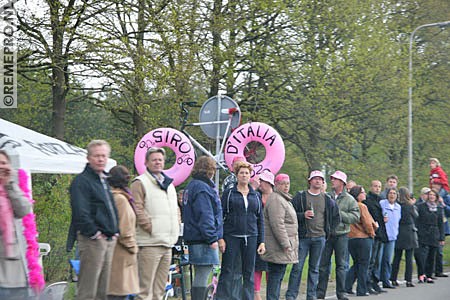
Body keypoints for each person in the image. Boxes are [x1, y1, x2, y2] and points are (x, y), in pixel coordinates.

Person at [68, 140, 119, 300]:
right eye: (97, 156)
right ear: (88, 158)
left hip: (109, 240)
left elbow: (110, 209)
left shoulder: (104, 180)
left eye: (103, 156)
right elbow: (80, 213)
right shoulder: (82, 182)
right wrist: (95, 233)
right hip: (92, 242)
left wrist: (116, 231)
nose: (100, 159)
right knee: (88, 290)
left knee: (103, 290)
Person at [131, 147, 180, 300]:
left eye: (160, 159)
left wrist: (177, 224)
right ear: (146, 162)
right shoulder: (140, 183)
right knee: (145, 291)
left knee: (159, 290)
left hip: (167, 243)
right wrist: (151, 228)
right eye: (154, 160)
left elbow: (175, 208)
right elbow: (136, 208)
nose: (157, 162)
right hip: (149, 243)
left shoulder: (169, 185)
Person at [286, 170, 340, 300]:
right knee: (297, 268)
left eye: (320, 179)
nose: (317, 181)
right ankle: (291, 296)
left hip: (320, 238)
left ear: (323, 183)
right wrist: (302, 215)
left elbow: (336, 217)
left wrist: (329, 232)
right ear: (310, 181)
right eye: (315, 179)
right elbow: (289, 215)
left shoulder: (328, 199)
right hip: (303, 238)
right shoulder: (300, 196)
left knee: (314, 269)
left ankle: (311, 296)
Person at [216, 161, 265, 300]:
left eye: (246, 173)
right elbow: (221, 215)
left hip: (251, 236)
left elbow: (260, 219)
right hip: (231, 236)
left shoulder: (255, 195)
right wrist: (220, 238)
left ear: (250, 176)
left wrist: (262, 241)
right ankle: (223, 297)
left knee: (248, 272)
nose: (244, 175)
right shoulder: (229, 193)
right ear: (237, 175)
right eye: (241, 173)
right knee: (228, 270)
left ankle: (247, 297)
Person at [182, 156, 223, 299]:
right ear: (210, 170)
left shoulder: (191, 185)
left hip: (194, 237)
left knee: (200, 273)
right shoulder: (203, 188)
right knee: (203, 274)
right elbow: (205, 215)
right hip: (203, 239)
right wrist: (212, 238)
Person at [317, 170, 360, 300]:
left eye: (335, 179)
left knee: (341, 265)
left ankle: (341, 293)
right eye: (332, 179)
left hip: (342, 235)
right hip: (327, 234)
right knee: (323, 265)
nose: (332, 181)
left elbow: (355, 216)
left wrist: (339, 214)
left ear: (342, 182)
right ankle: (320, 292)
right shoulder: (327, 197)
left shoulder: (350, 199)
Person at [0, 150, 33, 299]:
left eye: (4, 163)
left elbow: (24, 209)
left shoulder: (11, 189)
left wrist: (10, 184)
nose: (1, 167)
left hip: (16, 274)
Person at [261, 172, 299, 300]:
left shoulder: (283, 199)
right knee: (275, 277)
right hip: (278, 246)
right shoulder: (276, 199)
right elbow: (277, 224)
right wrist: (286, 244)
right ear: (276, 184)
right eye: (283, 184)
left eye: (287, 183)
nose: (286, 186)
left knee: (278, 276)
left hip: (282, 246)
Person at [107, 165, 139, 300]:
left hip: (116, 254)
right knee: (117, 294)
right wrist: (134, 248)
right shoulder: (120, 200)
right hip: (120, 255)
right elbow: (124, 230)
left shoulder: (114, 197)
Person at [345, 185, 377, 296]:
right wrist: (372, 233)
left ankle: (347, 286)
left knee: (357, 263)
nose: (365, 194)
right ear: (357, 194)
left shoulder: (348, 205)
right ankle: (362, 289)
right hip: (363, 238)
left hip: (350, 237)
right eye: (362, 192)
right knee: (364, 264)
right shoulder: (361, 206)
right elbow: (367, 223)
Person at [389, 187, 418, 288]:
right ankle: (408, 280)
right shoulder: (409, 206)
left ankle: (393, 278)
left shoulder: (396, 206)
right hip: (409, 231)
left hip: (398, 231)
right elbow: (416, 216)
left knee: (397, 257)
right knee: (409, 257)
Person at [363, 180, 388, 294]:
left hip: (380, 234)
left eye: (379, 187)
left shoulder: (381, 201)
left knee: (377, 261)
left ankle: (375, 282)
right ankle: (367, 284)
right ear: (371, 187)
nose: (377, 188)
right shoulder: (367, 201)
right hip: (371, 233)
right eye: (375, 186)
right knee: (370, 260)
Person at [415, 189, 445, 284]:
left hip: (434, 233)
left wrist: (441, 237)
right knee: (422, 256)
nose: (431, 196)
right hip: (423, 233)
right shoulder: (421, 206)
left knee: (432, 255)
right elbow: (417, 220)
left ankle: (429, 275)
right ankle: (421, 274)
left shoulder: (439, 208)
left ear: (436, 197)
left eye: (433, 195)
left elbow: (441, 223)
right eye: (430, 195)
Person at [254, 170, 274, 300]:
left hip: (273, 236)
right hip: (258, 234)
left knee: (271, 265)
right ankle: (256, 293)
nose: (260, 183)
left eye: (262, 181)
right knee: (258, 264)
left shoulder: (276, 197)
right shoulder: (255, 196)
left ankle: (271, 293)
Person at [379, 188, 401, 289]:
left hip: (392, 237)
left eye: (394, 193)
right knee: (378, 260)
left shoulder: (398, 207)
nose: (392, 195)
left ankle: (386, 281)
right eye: (390, 193)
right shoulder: (382, 203)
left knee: (388, 260)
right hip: (383, 236)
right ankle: (375, 280)